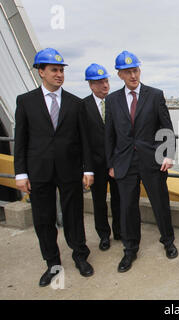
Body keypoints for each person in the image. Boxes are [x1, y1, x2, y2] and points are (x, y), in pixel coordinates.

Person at [14, 48, 95, 287]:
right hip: (39, 171)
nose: (59, 74)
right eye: (54, 70)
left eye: (61, 70)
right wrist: (21, 173)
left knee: (73, 216)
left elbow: (85, 141)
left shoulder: (75, 103)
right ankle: (52, 263)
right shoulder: (26, 101)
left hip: (69, 170)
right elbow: (21, 140)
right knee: (44, 218)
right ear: (41, 72)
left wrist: (88, 170)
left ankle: (80, 256)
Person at [105, 50, 178, 273]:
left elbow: (166, 128)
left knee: (160, 203)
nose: (133, 75)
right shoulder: (112, 100)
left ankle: (168, 241)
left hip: (152, 160)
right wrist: (111, 164)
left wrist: (168, 154)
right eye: (127, 72)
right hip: (125, 163)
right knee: (127, 208)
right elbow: (109, 135)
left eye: (135, 70)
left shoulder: (155, 95)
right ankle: (130, 249)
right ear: (120, 75)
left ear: (140, 70)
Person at [83, 63, 121, 251]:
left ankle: (119, 230)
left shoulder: (116, 102)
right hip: (96, 165)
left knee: (119, 199)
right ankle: (104, 235)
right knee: (99, 202)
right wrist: (86, 168)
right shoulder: (83, 106)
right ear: (91, 85)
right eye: (99, 83)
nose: (105, 85)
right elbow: (82, 140)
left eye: (106, 81)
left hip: (116, 162)